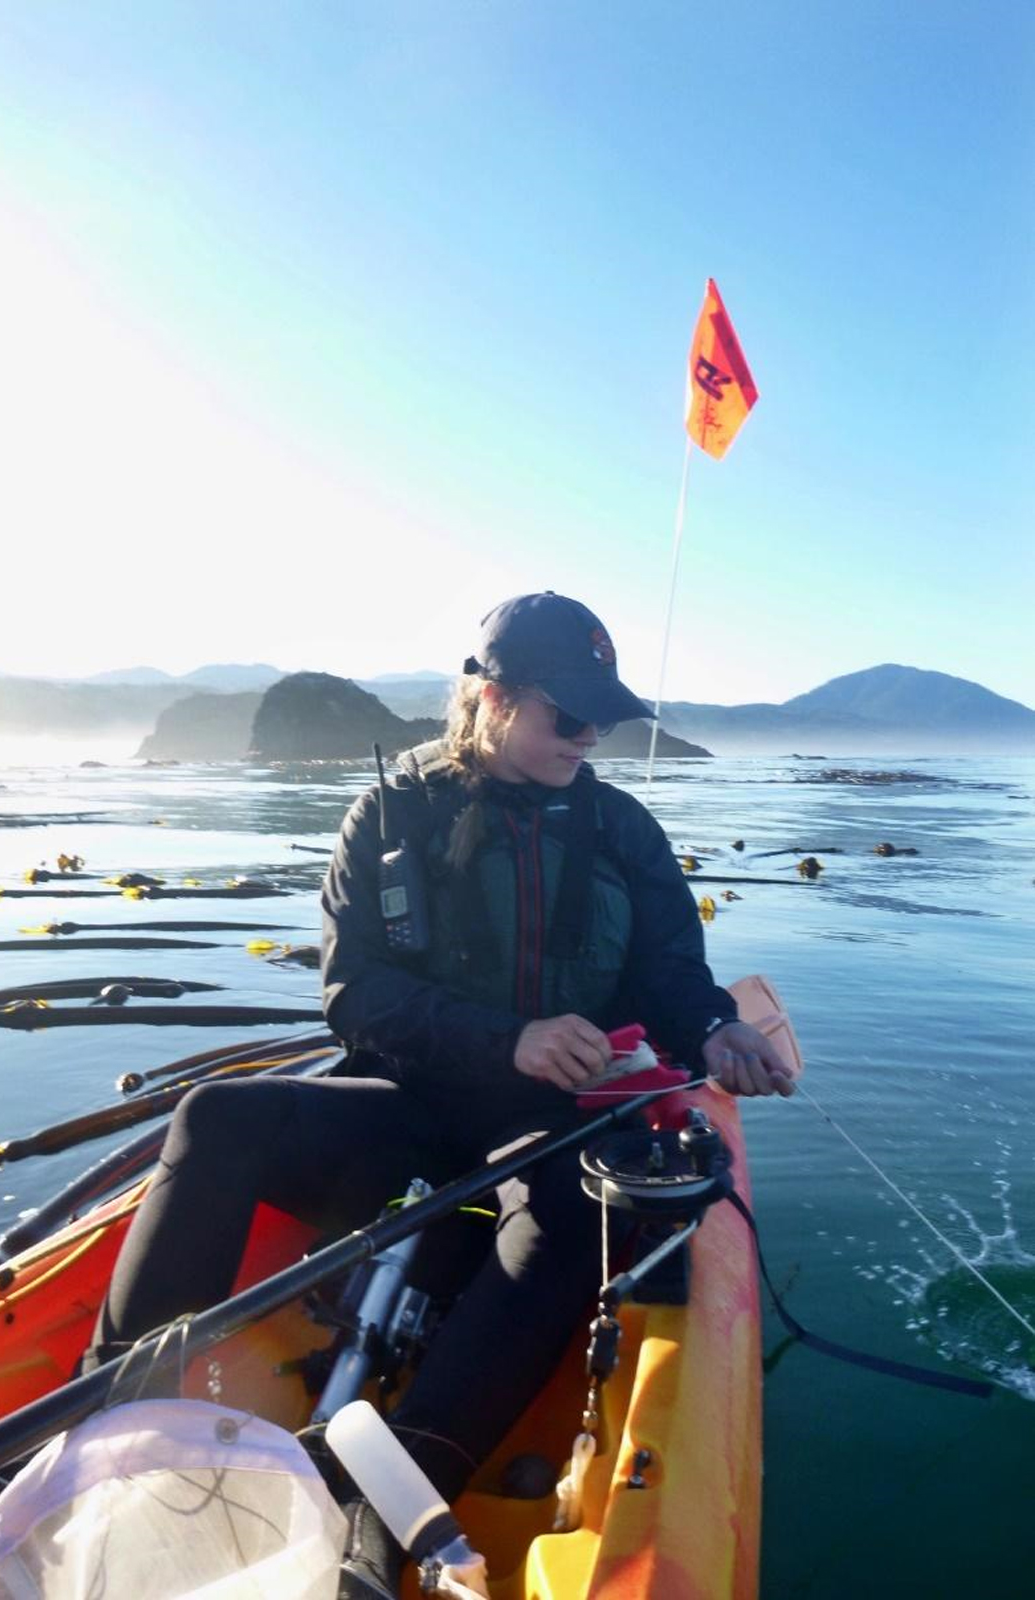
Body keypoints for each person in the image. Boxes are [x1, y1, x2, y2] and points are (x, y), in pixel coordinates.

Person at [89, 591, 793, 1595]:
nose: (588, 736)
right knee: (213, 1116)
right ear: (496, 698)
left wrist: (717, 1030)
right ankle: (107, 1426)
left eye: (603, 718)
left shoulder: (623, 831)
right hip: (408, 1103)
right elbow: (354, 996)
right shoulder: (390, 812)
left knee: (572, 1204)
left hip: (547, 1134)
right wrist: (510, 1039)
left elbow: (673, 978)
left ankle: (388, 1504)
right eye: (568, 714)